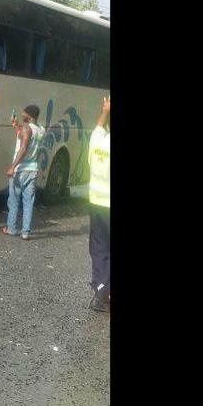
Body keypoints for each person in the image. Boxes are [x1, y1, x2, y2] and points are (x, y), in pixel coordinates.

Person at [2, 105, 44, 240]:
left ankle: (11, 229)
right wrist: (15, 126)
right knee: (28, 202)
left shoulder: (26, 128)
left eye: (24, 113)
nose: (22, 114)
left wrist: (13, 166)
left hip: (21, 170)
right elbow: (23, 137)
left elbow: (24, 147)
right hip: (33, 170)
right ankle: (25, 232)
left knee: (13, 200)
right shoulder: (41, 129)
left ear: (30, 116)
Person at [88, 96, 110, 312]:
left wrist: (105, 110)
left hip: (97, 203)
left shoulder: (97, 140)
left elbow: (98, 126)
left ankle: (101, 292)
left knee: (100, 248)